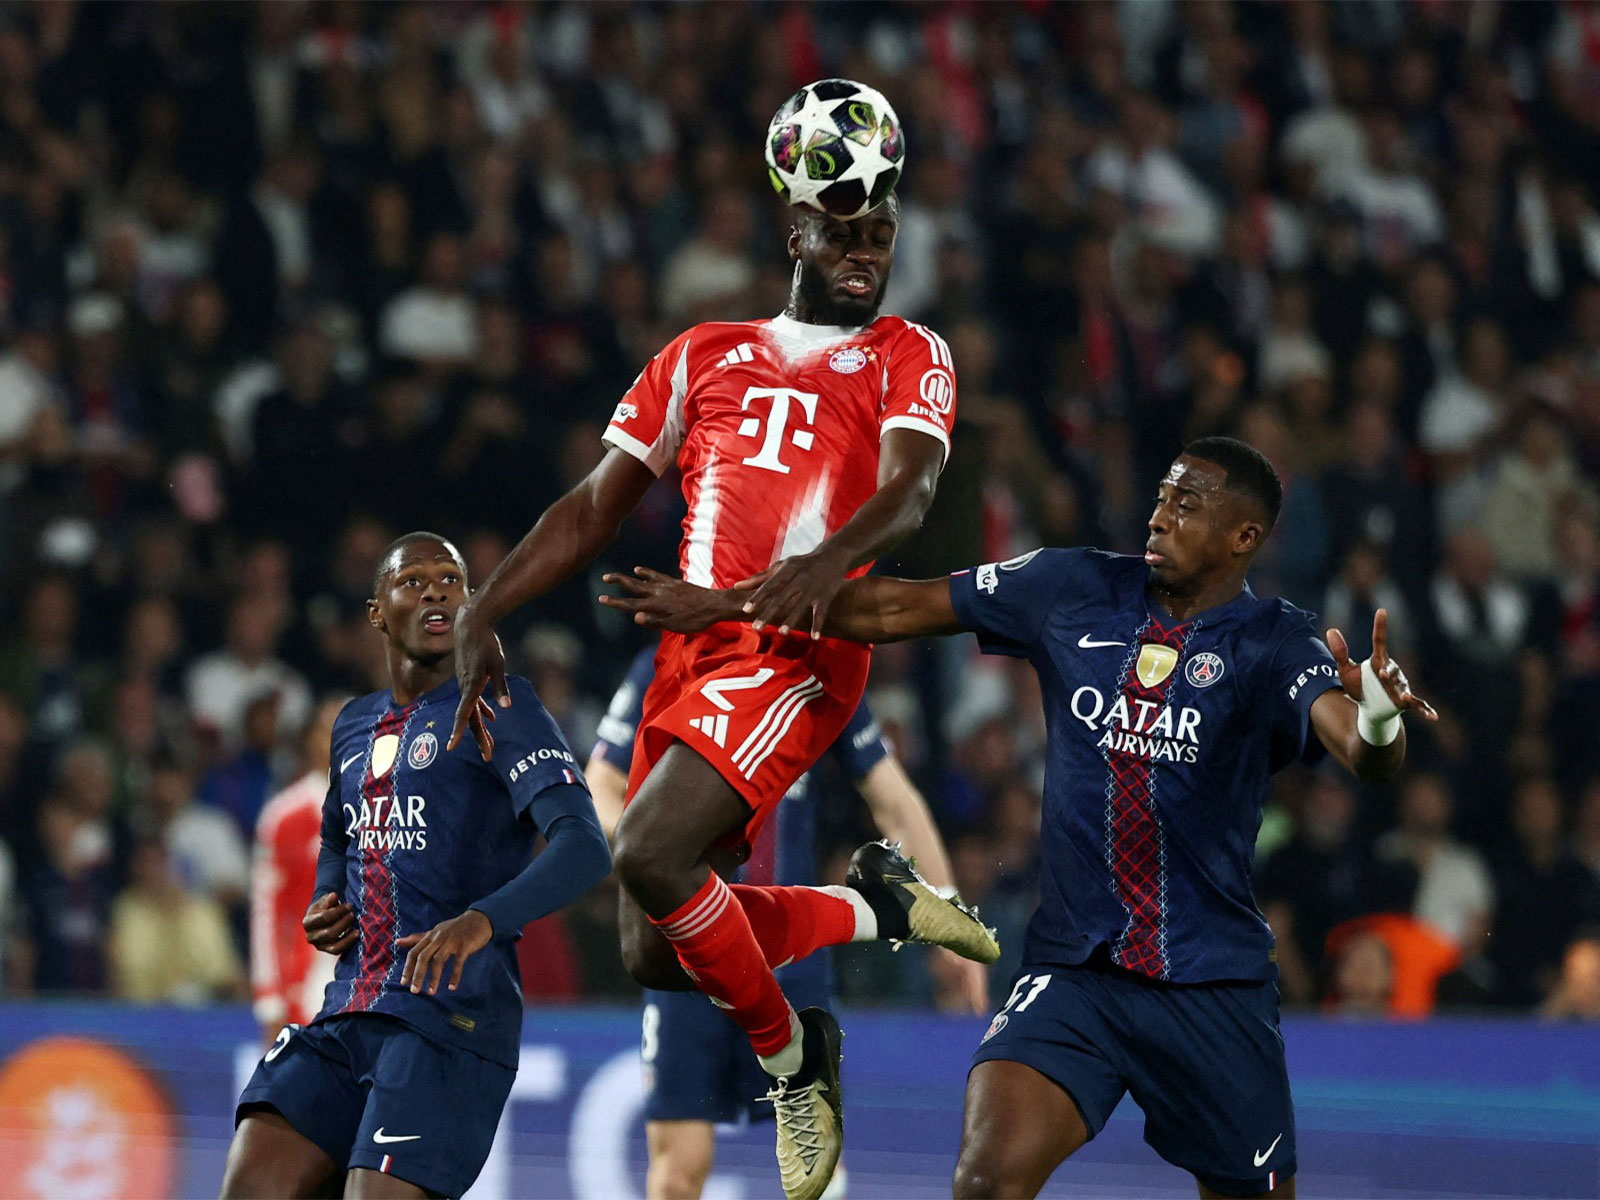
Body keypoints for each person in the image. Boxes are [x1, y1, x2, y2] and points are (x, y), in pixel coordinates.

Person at [601, 436, 1438, 1199]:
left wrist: (1377, 714)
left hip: (1211, 986)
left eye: (1188, 504)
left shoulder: (1275, 640)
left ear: (1243, 538)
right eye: (1161, 494)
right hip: (1077, 971)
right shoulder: (1071, 589)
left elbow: (1363, 753)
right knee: (984, 1181)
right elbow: (892, 610)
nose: (1159, 514)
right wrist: (732, 605)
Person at [449, 192, 998, 1200]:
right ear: (796, 235)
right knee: (653, 952)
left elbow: (910, 494)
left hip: (796, 651)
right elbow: (592, 506)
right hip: (691, 655)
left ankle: (795, 1063)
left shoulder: (908, 352)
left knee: (648, 852)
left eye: (878, 238)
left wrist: (817, 571)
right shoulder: (701, 351)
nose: (862, 256)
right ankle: (868, 905)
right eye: (842, 236)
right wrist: (486, 606)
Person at [221, 534, 611, 1199]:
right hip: (346, 1014)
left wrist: (483, 920)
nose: (435, 590)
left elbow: (584, 847)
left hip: (448, 1024)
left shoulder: (499, 707)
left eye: (451, 580)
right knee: (252, 1182)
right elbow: (340, 838)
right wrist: (326, 899)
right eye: (413, 581)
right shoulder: (353, 724)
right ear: (377, 612)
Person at [587, 647, 988, 1200]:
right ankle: (874, 911)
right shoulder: (668, 657)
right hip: (685, 947)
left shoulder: (813, 663)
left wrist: (945, 902)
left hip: (789, 961)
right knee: (677, 1174)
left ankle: (884, 912)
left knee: (818, 1173)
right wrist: (653, 851)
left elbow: (893, 798)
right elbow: (600, 784)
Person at [250, 694, 349, 1047]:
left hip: (372, 990)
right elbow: (266, 914)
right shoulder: (284, 817)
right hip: (306, 991)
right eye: (329, 729)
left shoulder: (392, 811)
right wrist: (269, 1000)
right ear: (311, 739)